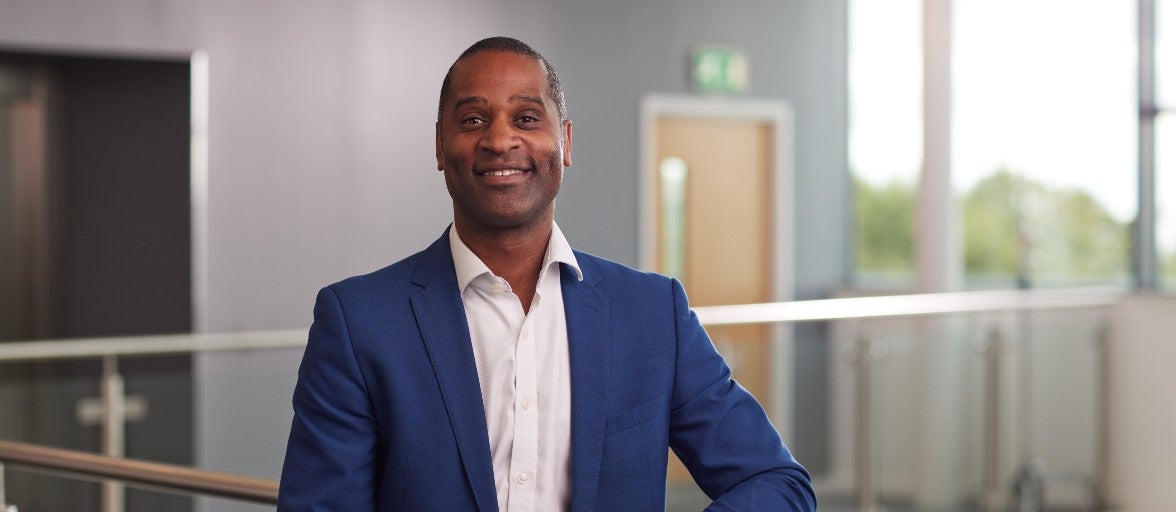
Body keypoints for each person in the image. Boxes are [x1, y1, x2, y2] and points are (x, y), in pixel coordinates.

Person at [278, 36, 816, 511]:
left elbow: (775, 481)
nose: (499, 139)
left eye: (527, 118)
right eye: (472, 120)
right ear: (441, 145)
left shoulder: (653, 314)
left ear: (566, 143)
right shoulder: (359, 322)